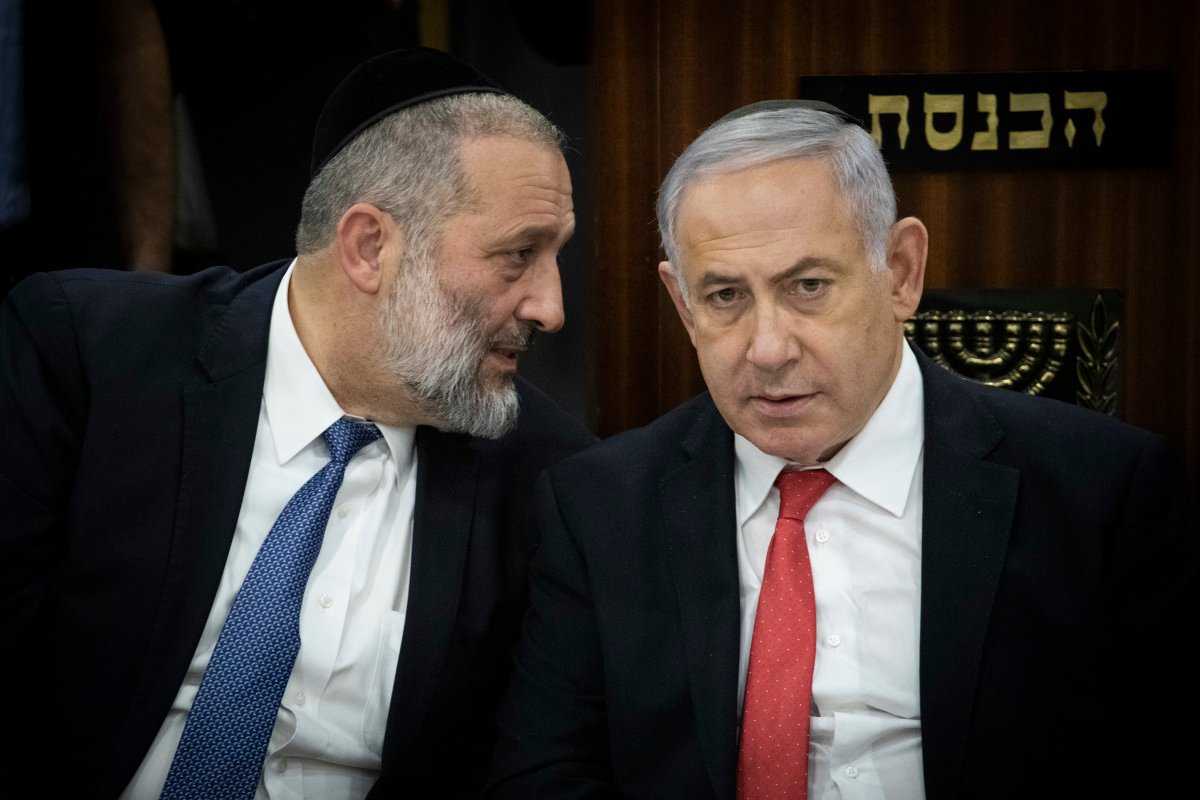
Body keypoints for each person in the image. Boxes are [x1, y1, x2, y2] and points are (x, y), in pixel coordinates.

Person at [484, 99, 1197, 799]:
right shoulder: (600, 506)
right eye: (726, 296)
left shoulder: (1103, 491)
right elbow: (542, 773)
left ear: (902, 271)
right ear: (683, 304)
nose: (768, 349)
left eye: (808, 286)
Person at [0, 46, 594, 799]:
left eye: (556, 255)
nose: (551, 307)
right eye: (518, 255)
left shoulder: (549, 477)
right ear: (369, 247)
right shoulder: (89, 357)